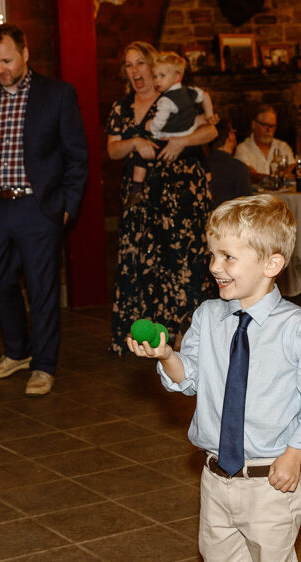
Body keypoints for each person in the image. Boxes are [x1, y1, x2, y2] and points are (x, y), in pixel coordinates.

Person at [127, 194, 301, 562]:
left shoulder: (299, 329)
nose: (215, 266)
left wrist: (295, 453)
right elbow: (190, 376)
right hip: (217, 474)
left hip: (270, 481)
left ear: (271, 262)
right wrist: (165, 355)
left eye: (227, 256)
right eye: (213, 254)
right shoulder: (208, 317)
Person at [0, 23, 88, 397]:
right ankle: (17, 351)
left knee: (42, 288)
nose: (0, 68)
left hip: (39, 206)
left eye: (6, 60)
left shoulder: (58, 94)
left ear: (25, 53)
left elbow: (77, 156)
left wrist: (68, 205)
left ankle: (44, 365)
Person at [106, 41, 217, 354]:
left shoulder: (175, 96)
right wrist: (135, 141)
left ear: (153, 67)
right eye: (129, 65)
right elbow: (113, 150)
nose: (135, 71)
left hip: (180, 192)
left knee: (182, 262)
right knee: (139, 261)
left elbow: (210, 131)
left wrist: (183, 142)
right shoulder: (121, 108)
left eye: (140, 63)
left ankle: (187, 336)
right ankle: (143, 337)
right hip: (139, 194)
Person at [124, 51, 213, 208]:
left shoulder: (165, 100)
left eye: (161, 76)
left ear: (177, 77)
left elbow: (158, 124)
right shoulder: (190, 92)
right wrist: (209, 114)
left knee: (141, 157)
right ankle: (209, 186)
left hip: (167, 142)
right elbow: (205, 95)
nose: (157, 80)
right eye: (155, 76)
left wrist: (148, 126)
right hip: (190, 144)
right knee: (202, 156)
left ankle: (136, 189)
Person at [233, 104, 295, 182]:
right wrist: (273, 178)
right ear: (254, 125)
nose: (269, 130)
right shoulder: (242, 149)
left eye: (272, 126)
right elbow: (249, 174)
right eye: (265, 125)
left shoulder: (283, 147)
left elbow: (290, 168)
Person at [208, 118, 253, 208]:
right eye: (233, 131)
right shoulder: (239, 168)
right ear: (230, 136)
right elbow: (246, 209)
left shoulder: (200, 165)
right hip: (229, 220)